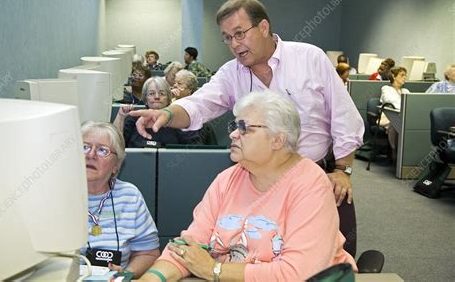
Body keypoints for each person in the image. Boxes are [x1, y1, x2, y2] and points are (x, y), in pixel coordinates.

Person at [131, 0, 364, 208]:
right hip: (258, 182)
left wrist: (343, 170)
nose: (234, 44)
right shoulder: (231, 73)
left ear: (263, 27)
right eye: (228, 38)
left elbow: (344, 117)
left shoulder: (309, 58)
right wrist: (167, 114)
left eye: (240, 33)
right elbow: (199, 103)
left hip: (314, 175)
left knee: (312, 250)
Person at [137, 91, 357, 282]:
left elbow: (298, 273)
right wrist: (150, 278)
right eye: (234, 126)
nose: (232, 133)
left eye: (243, 128)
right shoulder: (227, 179)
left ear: (277, 140)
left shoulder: (310, 185)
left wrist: (214, 269)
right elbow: (189, 247)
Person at [80, 121, 159, 278]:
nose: (91, 155)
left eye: (102, 150)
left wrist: (126, 274)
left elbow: (148, 253)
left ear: (116, 165)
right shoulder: (55, 195)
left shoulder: (129, 196)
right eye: (85, 147)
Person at [116, 77, 202, 147]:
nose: (157, 97)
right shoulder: (133, 119)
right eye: (152, 94)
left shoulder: (179, 119)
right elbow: (116, 146)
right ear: (145, 99)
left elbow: (193, 152)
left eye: (162, 93)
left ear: (168, 99)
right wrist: (120, 116)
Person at [380, 67, 410, 161]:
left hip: (404, 116)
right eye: (402, 75)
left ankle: (405, 153)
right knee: (395, 124)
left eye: (405, 75)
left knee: (404, 123)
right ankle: (395, 150)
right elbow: (392, 103)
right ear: (394, 76)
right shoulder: (386, 89)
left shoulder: (405, 91)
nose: (405, 78)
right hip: (389, 117)